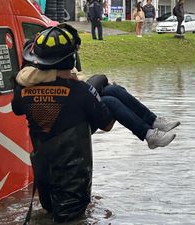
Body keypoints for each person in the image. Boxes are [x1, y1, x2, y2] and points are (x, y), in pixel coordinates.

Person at [12, 24, 179, 222]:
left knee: (109, 90)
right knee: (109, 95)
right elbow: (107, 124)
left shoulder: (22, 93)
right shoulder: (80, 91)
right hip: (73, 182)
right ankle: (150, 131)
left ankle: (152, 127)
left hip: (45, 177)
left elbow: (17, 107)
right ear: (70, 60)